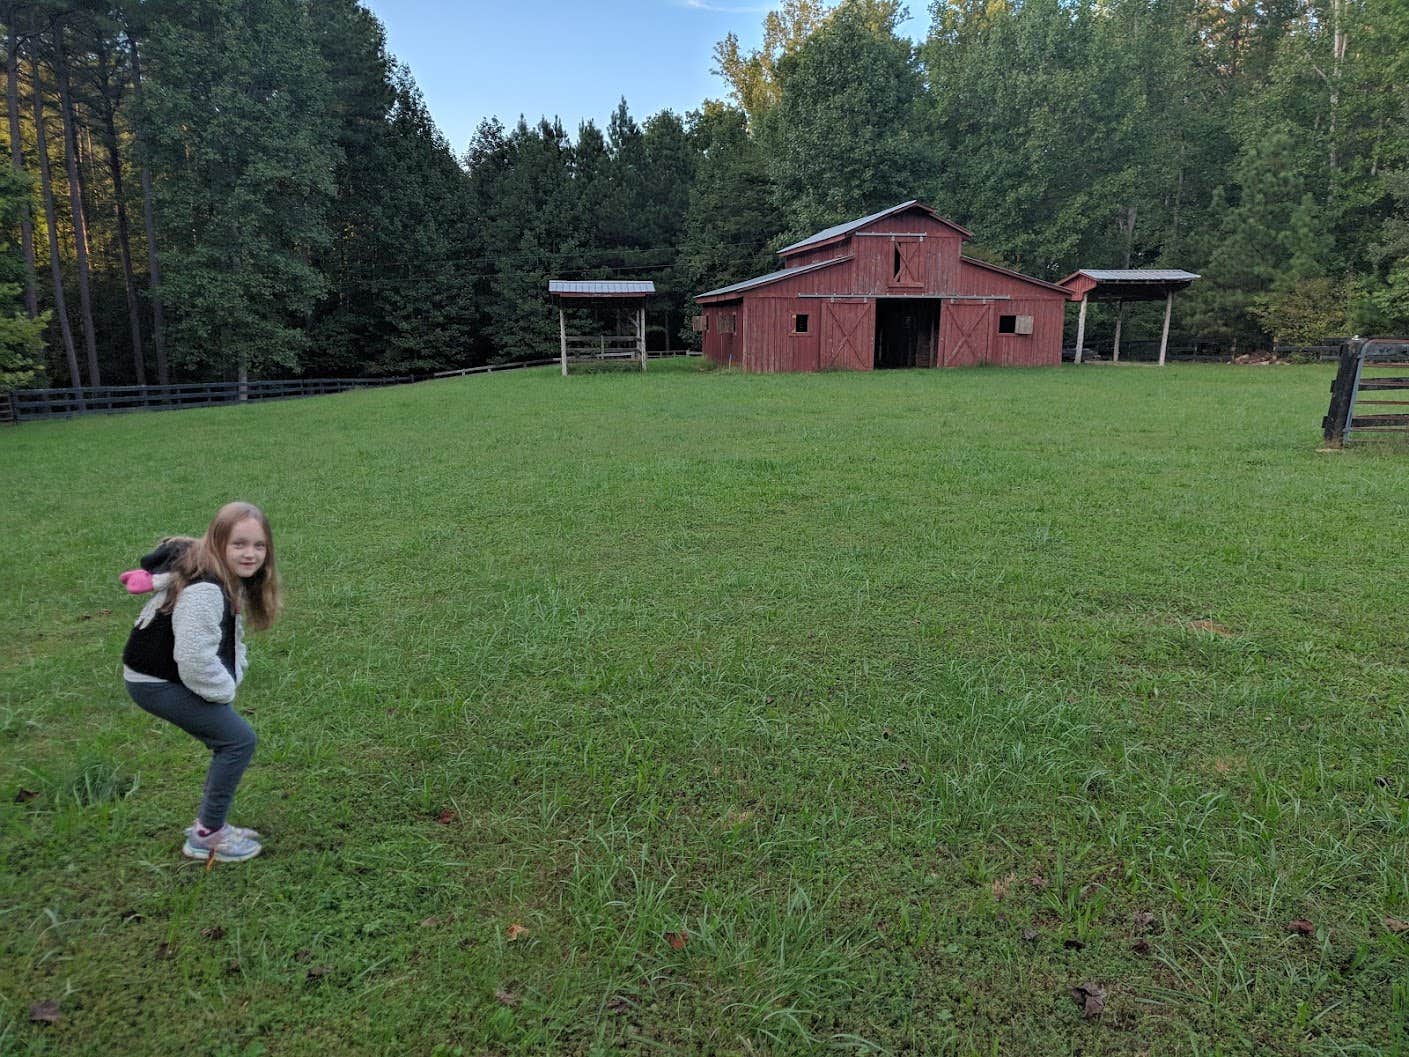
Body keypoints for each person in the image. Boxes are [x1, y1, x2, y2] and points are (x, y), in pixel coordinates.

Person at [120, 502, 281, 863]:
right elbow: (193, 659)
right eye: (239, 544)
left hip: (157, 676)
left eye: (259, 545)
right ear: (217, 542)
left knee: (231, 738)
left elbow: (229, 636)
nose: (250, 553)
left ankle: (210, 826)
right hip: (154, 681)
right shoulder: (206, 590)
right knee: (237, 740)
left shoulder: (221, 577)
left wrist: (232, 674)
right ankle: (206, 836)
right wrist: (223, 691)